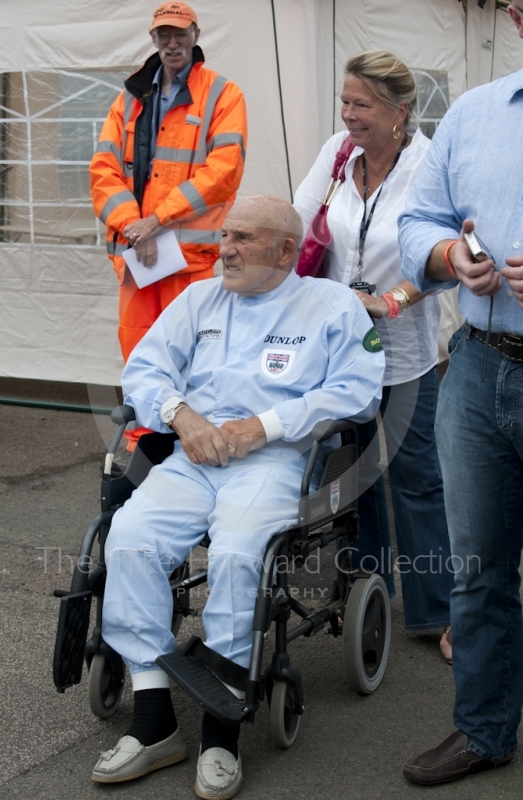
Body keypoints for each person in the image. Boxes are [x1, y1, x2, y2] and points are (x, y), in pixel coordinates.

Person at [90, 196, 385, 798]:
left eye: (243, 238)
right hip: (194, 454)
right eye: (225, 235)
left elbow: (357, 394)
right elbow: (146, 369)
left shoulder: (331, 306)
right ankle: (155, 721)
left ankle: (220, 733)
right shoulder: (200, 298)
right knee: (130, 539)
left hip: (272, 461)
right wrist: (182, 416)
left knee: (238, 554)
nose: (226, 247)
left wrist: (265, 426)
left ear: (284, 250)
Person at [398, 4, 523, 785]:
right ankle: (483, 728)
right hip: (477, 368)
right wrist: (447, 253)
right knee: (478, 569)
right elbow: (419, 220)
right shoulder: (473, 114)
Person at [294, 50, 453, 659]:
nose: (348, 113)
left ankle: (437, 609)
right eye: (345, 101)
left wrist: (394, 300)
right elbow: (301, 217)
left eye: (361, 104)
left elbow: (450, 249)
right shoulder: (339, 152)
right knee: (353, 474)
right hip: (339, 350)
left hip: (406, 348)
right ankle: (369, 588)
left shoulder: (428, 162)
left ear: (399, 111)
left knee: (418, 480)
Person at [90, 2, 247, 450]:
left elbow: (223, 172)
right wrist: (132, 226)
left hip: (188, 258)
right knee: (138, 350)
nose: (172, 43)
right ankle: (144, 446)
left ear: (196, 34)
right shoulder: (128, 98)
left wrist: (156, 221)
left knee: (191, 356)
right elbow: (102, 170)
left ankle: (189, 443)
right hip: (139, 255)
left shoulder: (223, 94)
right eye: (163, 35)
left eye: (179, 34)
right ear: (153, 38)